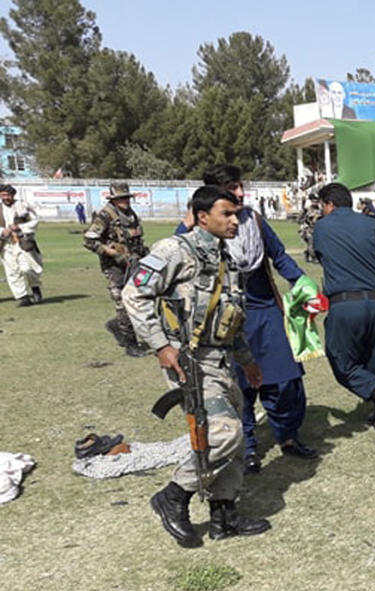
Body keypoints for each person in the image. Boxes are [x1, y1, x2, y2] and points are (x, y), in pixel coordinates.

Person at [121, 186, 270, 548]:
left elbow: (230, 318)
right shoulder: (175, 250)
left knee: (231, 443)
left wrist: (247, 360)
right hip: (190, 362)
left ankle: (224, 515)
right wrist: (160, 344)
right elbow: (134, 293)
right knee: (223, 434)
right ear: (203, 216)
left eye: (236, 214)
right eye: (227, 214)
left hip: (221, 363)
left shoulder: (226, 260)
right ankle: (174, 495)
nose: (235, 221)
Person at [181, 164, 318, 474]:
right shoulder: (200, 230)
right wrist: (186, 222)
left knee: (287, 380)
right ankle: (249, 448)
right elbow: (178, 257)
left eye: (241, 186)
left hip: (265, 309)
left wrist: (302, 283)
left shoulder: (254, 219)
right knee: (240, 385)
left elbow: (279, 256)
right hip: (224, 317)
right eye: (232, 187)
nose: (241, 193)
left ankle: (288, 436)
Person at [311, 182, 375, 431]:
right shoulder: (373, 224)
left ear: (329, 205)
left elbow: (320, 256)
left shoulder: (322, 227)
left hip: (346, 303)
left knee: (341, 360)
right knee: (374, 357)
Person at [82, 183, 149, 357]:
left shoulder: (130, 214)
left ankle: (117, 325)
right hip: (114, 267)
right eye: (121, 198)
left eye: (127, 197)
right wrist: (111, 252)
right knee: (122, 303)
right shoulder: (105, 216)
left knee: (138, 299)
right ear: (113, 199)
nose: (125, 201)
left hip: (133, 262)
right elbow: (89, 241)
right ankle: (130, 343)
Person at [0, 184, 43, 307]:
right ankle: (22, 297)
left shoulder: (23, 206)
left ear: (13, 195)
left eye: (8, 195)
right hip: (6, 244)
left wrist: (19, 227)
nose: (6, 197)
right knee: (12, 271)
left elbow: (35, 220)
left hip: (23, 242)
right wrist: (3, 231)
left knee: (27, 268)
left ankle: (35, 288)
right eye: (3, 195)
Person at [298, 190, 323, 264]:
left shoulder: (320, 210)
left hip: (318, 230)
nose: (315, 202)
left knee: (315, 244)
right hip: (309, 229)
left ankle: (307, 253)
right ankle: (313, 257)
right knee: (311, 243)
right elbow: (299, 219)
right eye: (313, 201)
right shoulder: (308, 209)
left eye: (316, 201)